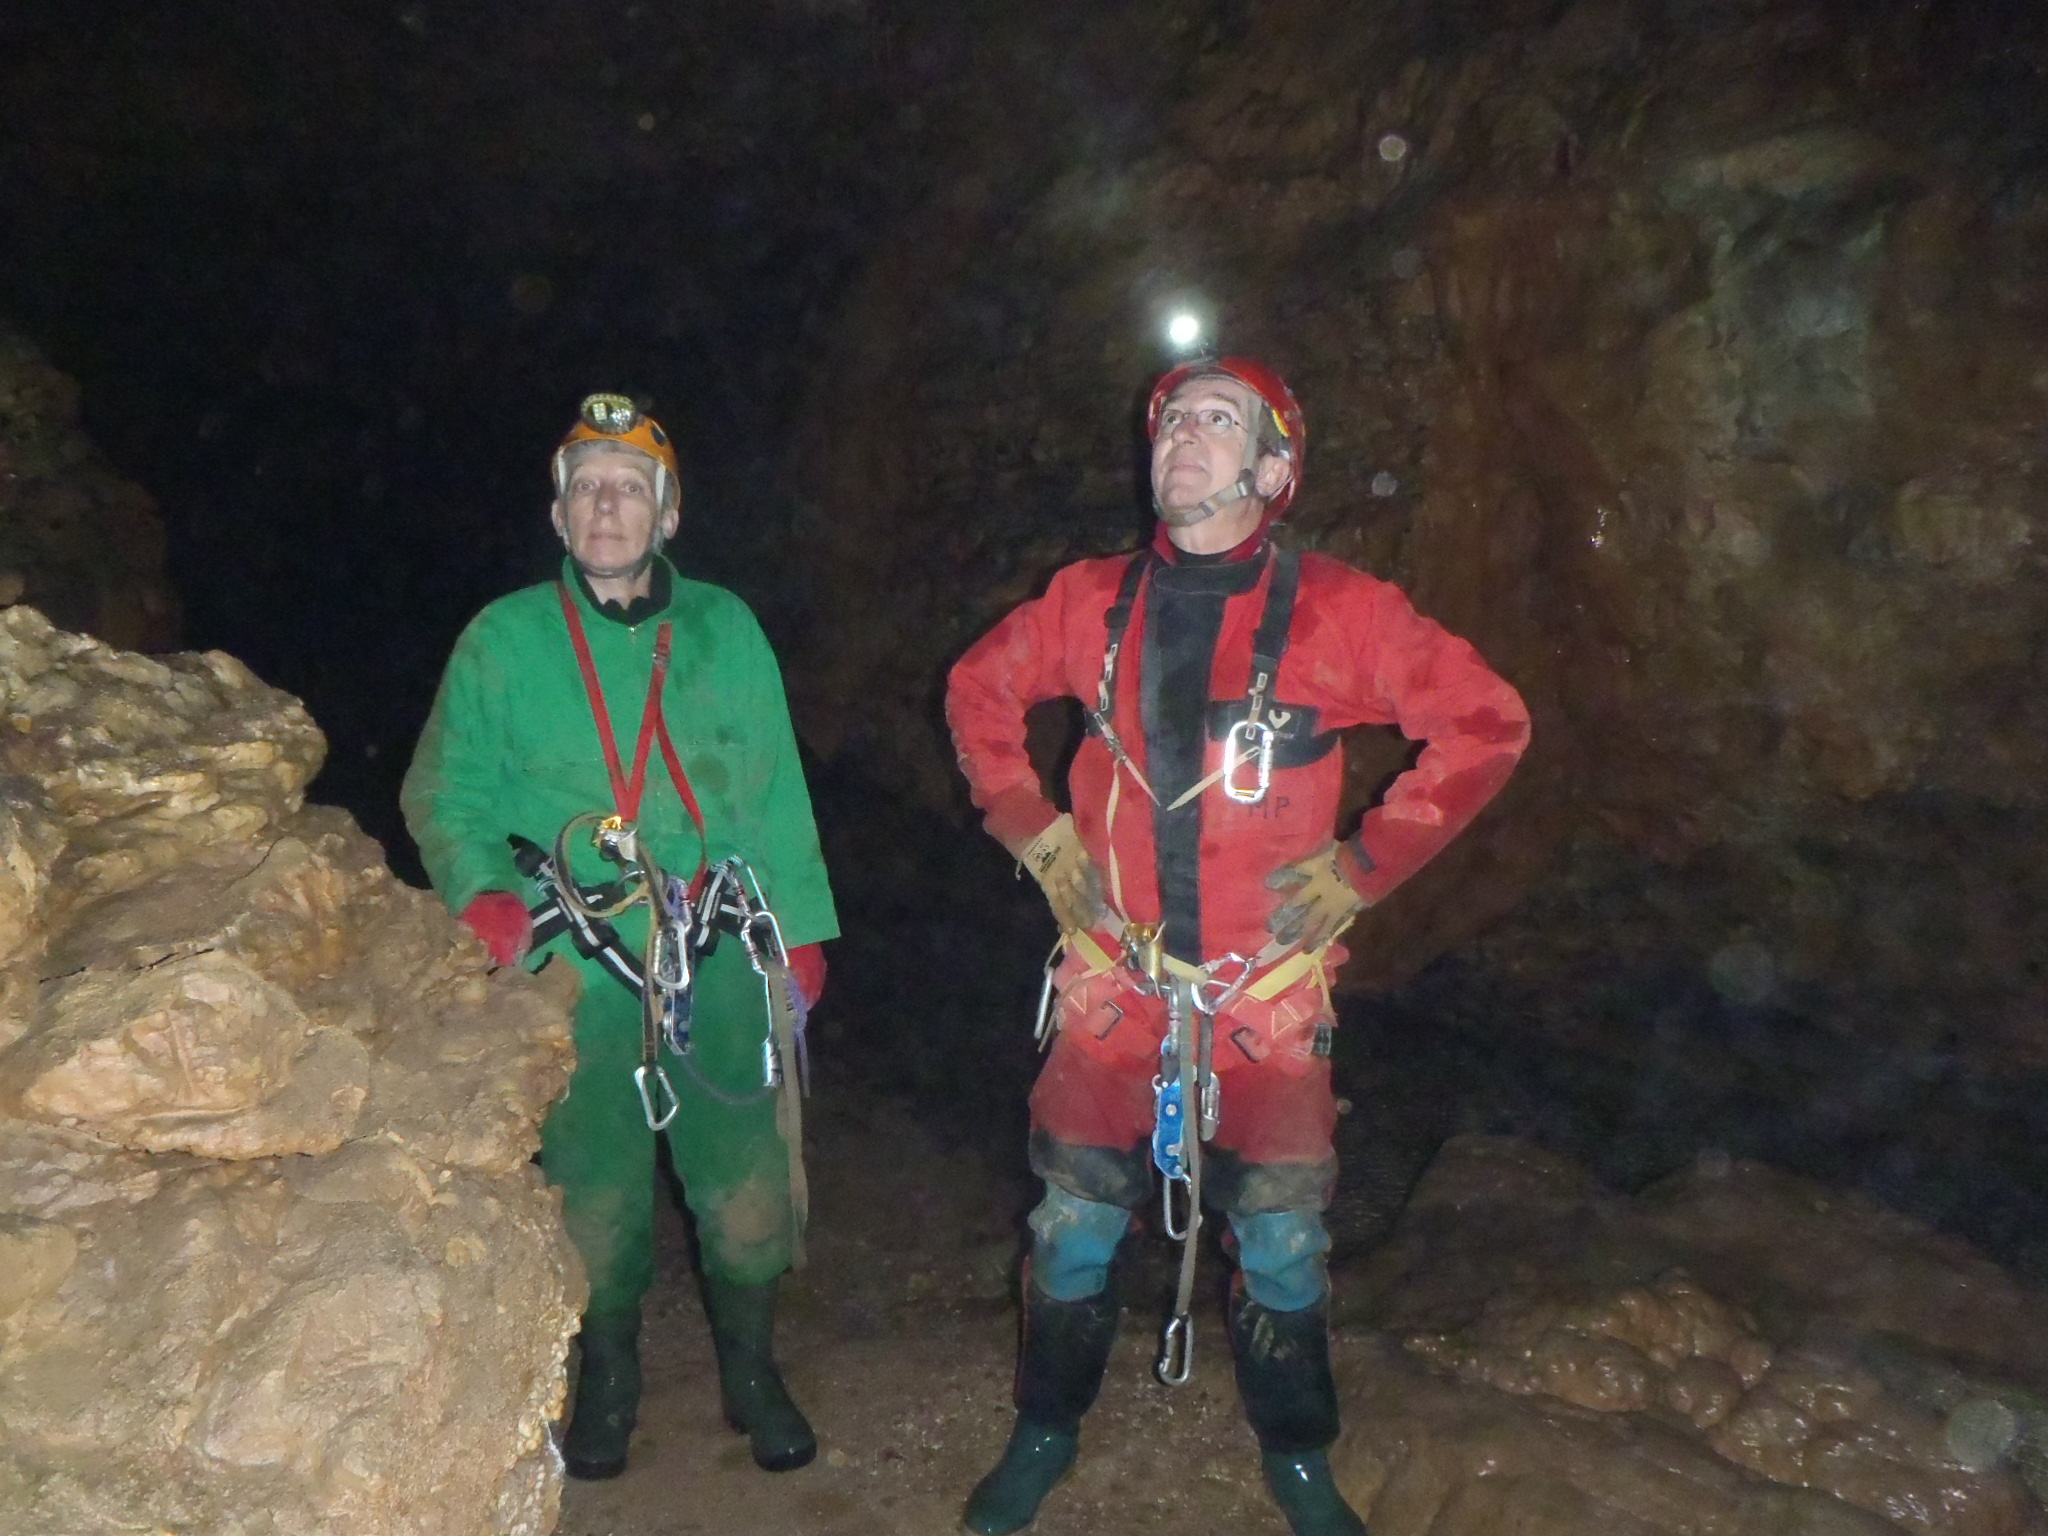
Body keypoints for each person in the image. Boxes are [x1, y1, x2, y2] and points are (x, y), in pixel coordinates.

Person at [945, 358, 1530, 1535]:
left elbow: (1484, 722)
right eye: (1172, 420)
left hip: (1261, 992)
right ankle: (1044, 1429)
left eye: (1219, 423)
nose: (1183, 437)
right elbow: (976, 690)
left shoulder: (1338, 613)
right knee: (1071, 1220)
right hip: (1119, 980)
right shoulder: (1088, 602)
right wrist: (1033, 828)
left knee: (1276, 1233)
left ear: (1271, 472)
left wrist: (1368, 864)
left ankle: (1301, 1460)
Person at [403, 393, 838, 1481]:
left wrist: (805, 930)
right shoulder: (503, 640)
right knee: (592, 1188)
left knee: (744, 1183)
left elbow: (777, 790)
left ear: (667, 512)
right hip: (576, 961)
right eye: (587, 486)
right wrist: (481, 892)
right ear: (557, 515)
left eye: (629, 486)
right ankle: (610, 1382)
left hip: (717, 950)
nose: (608, 503)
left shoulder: (726, 630)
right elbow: (443, 786)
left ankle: (751, 1371)